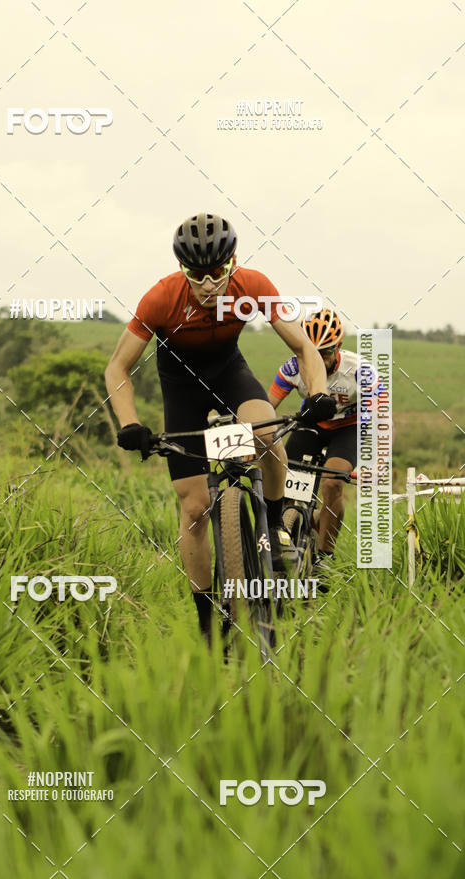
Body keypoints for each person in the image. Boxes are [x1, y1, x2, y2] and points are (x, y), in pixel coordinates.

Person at [105, 213, 335, 642]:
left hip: (230, 372)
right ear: (182, 271)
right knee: (194, 509)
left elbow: (303, 345)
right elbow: (118, 367)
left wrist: (317, 392)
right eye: (197, 275)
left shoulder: (255, 285)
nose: (209, 284)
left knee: (266, 434)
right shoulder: (160, 299)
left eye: (219, 273)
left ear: (233, 262)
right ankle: (206, 616)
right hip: (180, 388)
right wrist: (130, 422)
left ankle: (273, 520)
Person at [268, 307, 372, 573]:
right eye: (313, 352)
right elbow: (267, 407)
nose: (320, 360)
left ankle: (325, 558)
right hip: (312, 424)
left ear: (338, 347)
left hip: (349, 428)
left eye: (326, 352)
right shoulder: (293, 367)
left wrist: (374, 461)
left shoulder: (360, 371)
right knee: (285, 484)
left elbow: (381, 417)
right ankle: (292, 531)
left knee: (333, 483)